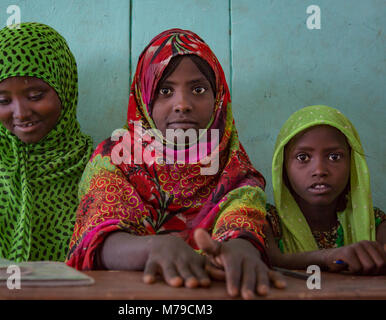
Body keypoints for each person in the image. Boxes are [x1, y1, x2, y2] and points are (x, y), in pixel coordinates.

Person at [66, 28, 286, 299]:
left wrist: (241, 249)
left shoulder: (233, 166)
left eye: (198, 89)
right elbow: (98, 239)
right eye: (165, 90)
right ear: (143, 97)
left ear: (218, 98)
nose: (182, 104)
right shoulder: (115, 159)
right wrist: (153, 248)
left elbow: (242, 217)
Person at [0, 22, 93, 262]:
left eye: (35, 96)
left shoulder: (93, 166)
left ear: (65, 87)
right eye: (4, 100)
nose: (21, 113)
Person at [265, 105, 386, 274]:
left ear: (353, 164)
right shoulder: (268, 222)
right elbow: (273, 259)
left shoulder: (374, 222)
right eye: (303, 157)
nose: (320, 170)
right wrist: (327, 257)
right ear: (283, 168)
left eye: (334, 157)